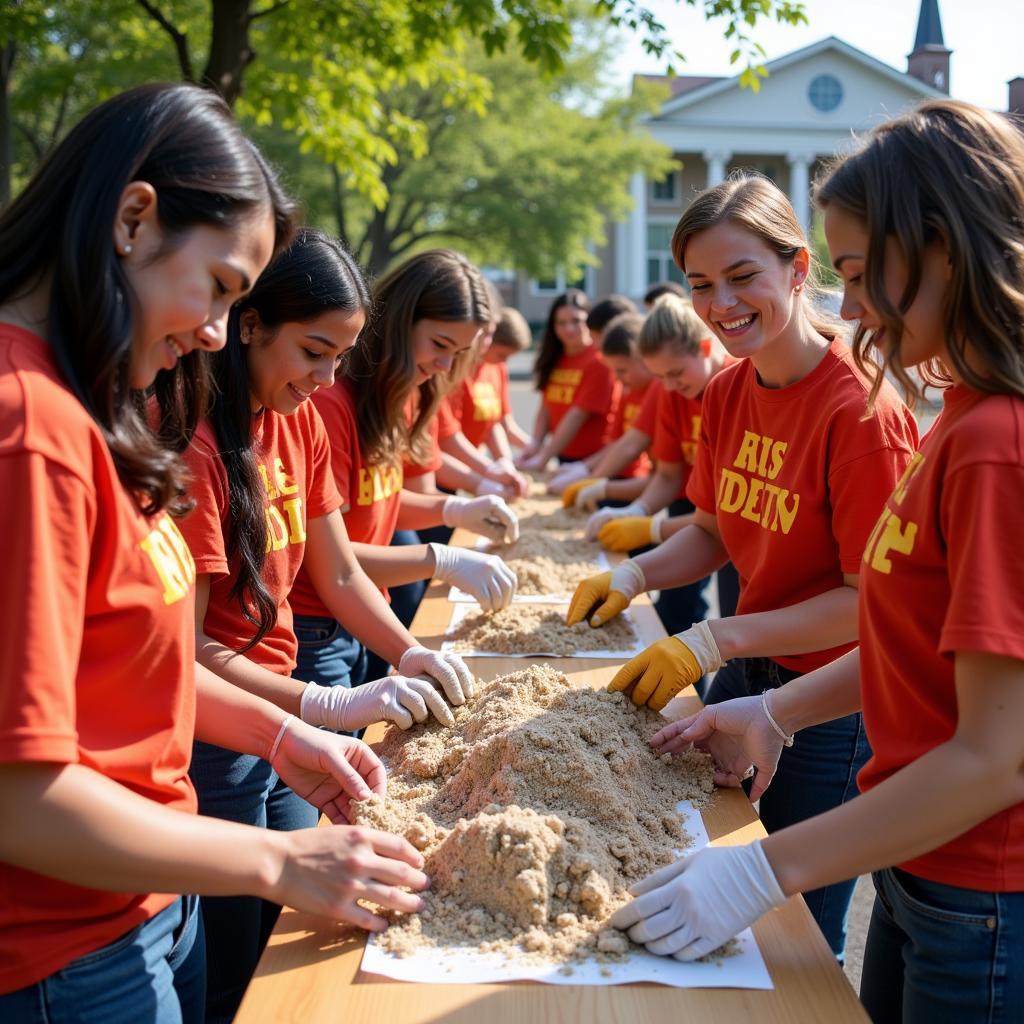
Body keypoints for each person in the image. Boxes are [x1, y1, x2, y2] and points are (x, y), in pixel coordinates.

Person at [0, 84, 428, 1024]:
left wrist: (282, 733)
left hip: (150, 890)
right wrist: (279, 860)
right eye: (223, 289)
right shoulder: (29, 430)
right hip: (66, 946)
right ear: (133, 220)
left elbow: (127, 671)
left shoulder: (87, 407)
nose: (214, 334)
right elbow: (20, 799)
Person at [613, 98, 1024, 1024]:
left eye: (860, 273)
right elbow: (910, 638)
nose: (857, 309)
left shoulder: (991, 438)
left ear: (945, 246)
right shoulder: (961, 415)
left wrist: (766, 868)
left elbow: (996, 758)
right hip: (921, 863)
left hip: (983, 885)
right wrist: (773, 705)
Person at [568, 172, 919, 960]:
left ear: (799, 270)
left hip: (833, 701)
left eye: (741, 277)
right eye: (700, 284)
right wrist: (638, 575)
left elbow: (872, 606)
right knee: (695, 864)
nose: (721, 303)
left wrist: (712, 638)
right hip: (747, 674)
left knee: (791, 930)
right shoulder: (727, 392)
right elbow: (714, 530)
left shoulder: (861, 411)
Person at [177, 238, 483, 1021]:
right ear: (247, 325)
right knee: (234, 964)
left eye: (340, 358)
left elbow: (339, 570)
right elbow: (191, 651)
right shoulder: (196, 441)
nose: (323, 379)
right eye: (313, 352)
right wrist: (314, 707)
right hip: (223, 726)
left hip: (284, 706)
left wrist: (408, 650)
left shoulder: (302, 419)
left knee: (294, 938)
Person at [288, 248, 519, 692]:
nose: (445, 366)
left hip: (363, 613)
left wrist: (455, 510)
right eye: (439, 346)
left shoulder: (403, 390)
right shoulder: (331, 403)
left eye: (459, 353)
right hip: (315, 626)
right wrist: (440, 558)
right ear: (398, 323)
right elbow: (330, 561)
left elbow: (381, 503)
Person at [571, 296, 740, 633]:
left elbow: (732, 515)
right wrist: (636, 510)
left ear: (705, 347)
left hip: (739, 524)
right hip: (693, 510)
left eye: (676, 373)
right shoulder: (670, 392)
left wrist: (650, 527)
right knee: (678, 609)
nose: (670, 386)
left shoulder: (738, 384)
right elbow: (667, 473)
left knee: (732, 616)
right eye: (661, 377)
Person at [556, 312, 656, 508]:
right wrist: (587, 473)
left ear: (644, 359)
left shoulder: (658, 392)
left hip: (636, 480)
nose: (618, 379)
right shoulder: (629, 392)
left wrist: (594, 482)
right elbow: (618, 443)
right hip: (623, 478)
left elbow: (632, 448)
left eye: (622, 370)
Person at [517, 289, 617, 472]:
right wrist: (535, 444)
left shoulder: (599, 361)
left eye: (576, 321)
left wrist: (543, 457)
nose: (568, 329)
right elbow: (546, 407)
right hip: (564, 456)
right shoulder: (554, 357)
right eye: (561, 323)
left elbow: (577, 415)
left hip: (593, 461)